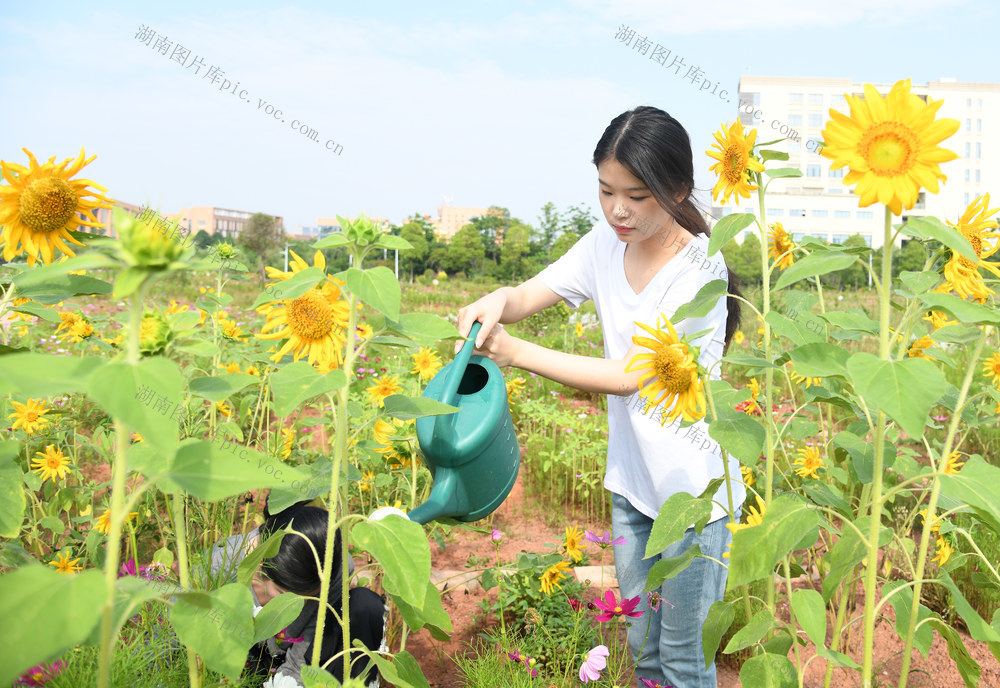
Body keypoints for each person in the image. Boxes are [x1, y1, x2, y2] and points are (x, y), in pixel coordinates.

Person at [454, 105, 746, 687]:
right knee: (643, 650)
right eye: (606, 191)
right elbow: (529, 294)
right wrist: (498, 300)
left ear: (677, 190)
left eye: (636, 195)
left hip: (695, 498)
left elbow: (631, 375)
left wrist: (515, 352)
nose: (618, 210)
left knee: (685, 662)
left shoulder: (700, 268)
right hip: (633, 487)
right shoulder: (603, 245)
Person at [209, 499, 386, 687]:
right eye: (283, 593)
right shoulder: (220, 566)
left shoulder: (333, 567)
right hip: (242, 664)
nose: (299, 606)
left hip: (301, 663)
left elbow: (302, 656)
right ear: (261, 565)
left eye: (310, 597)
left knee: (365, 605)